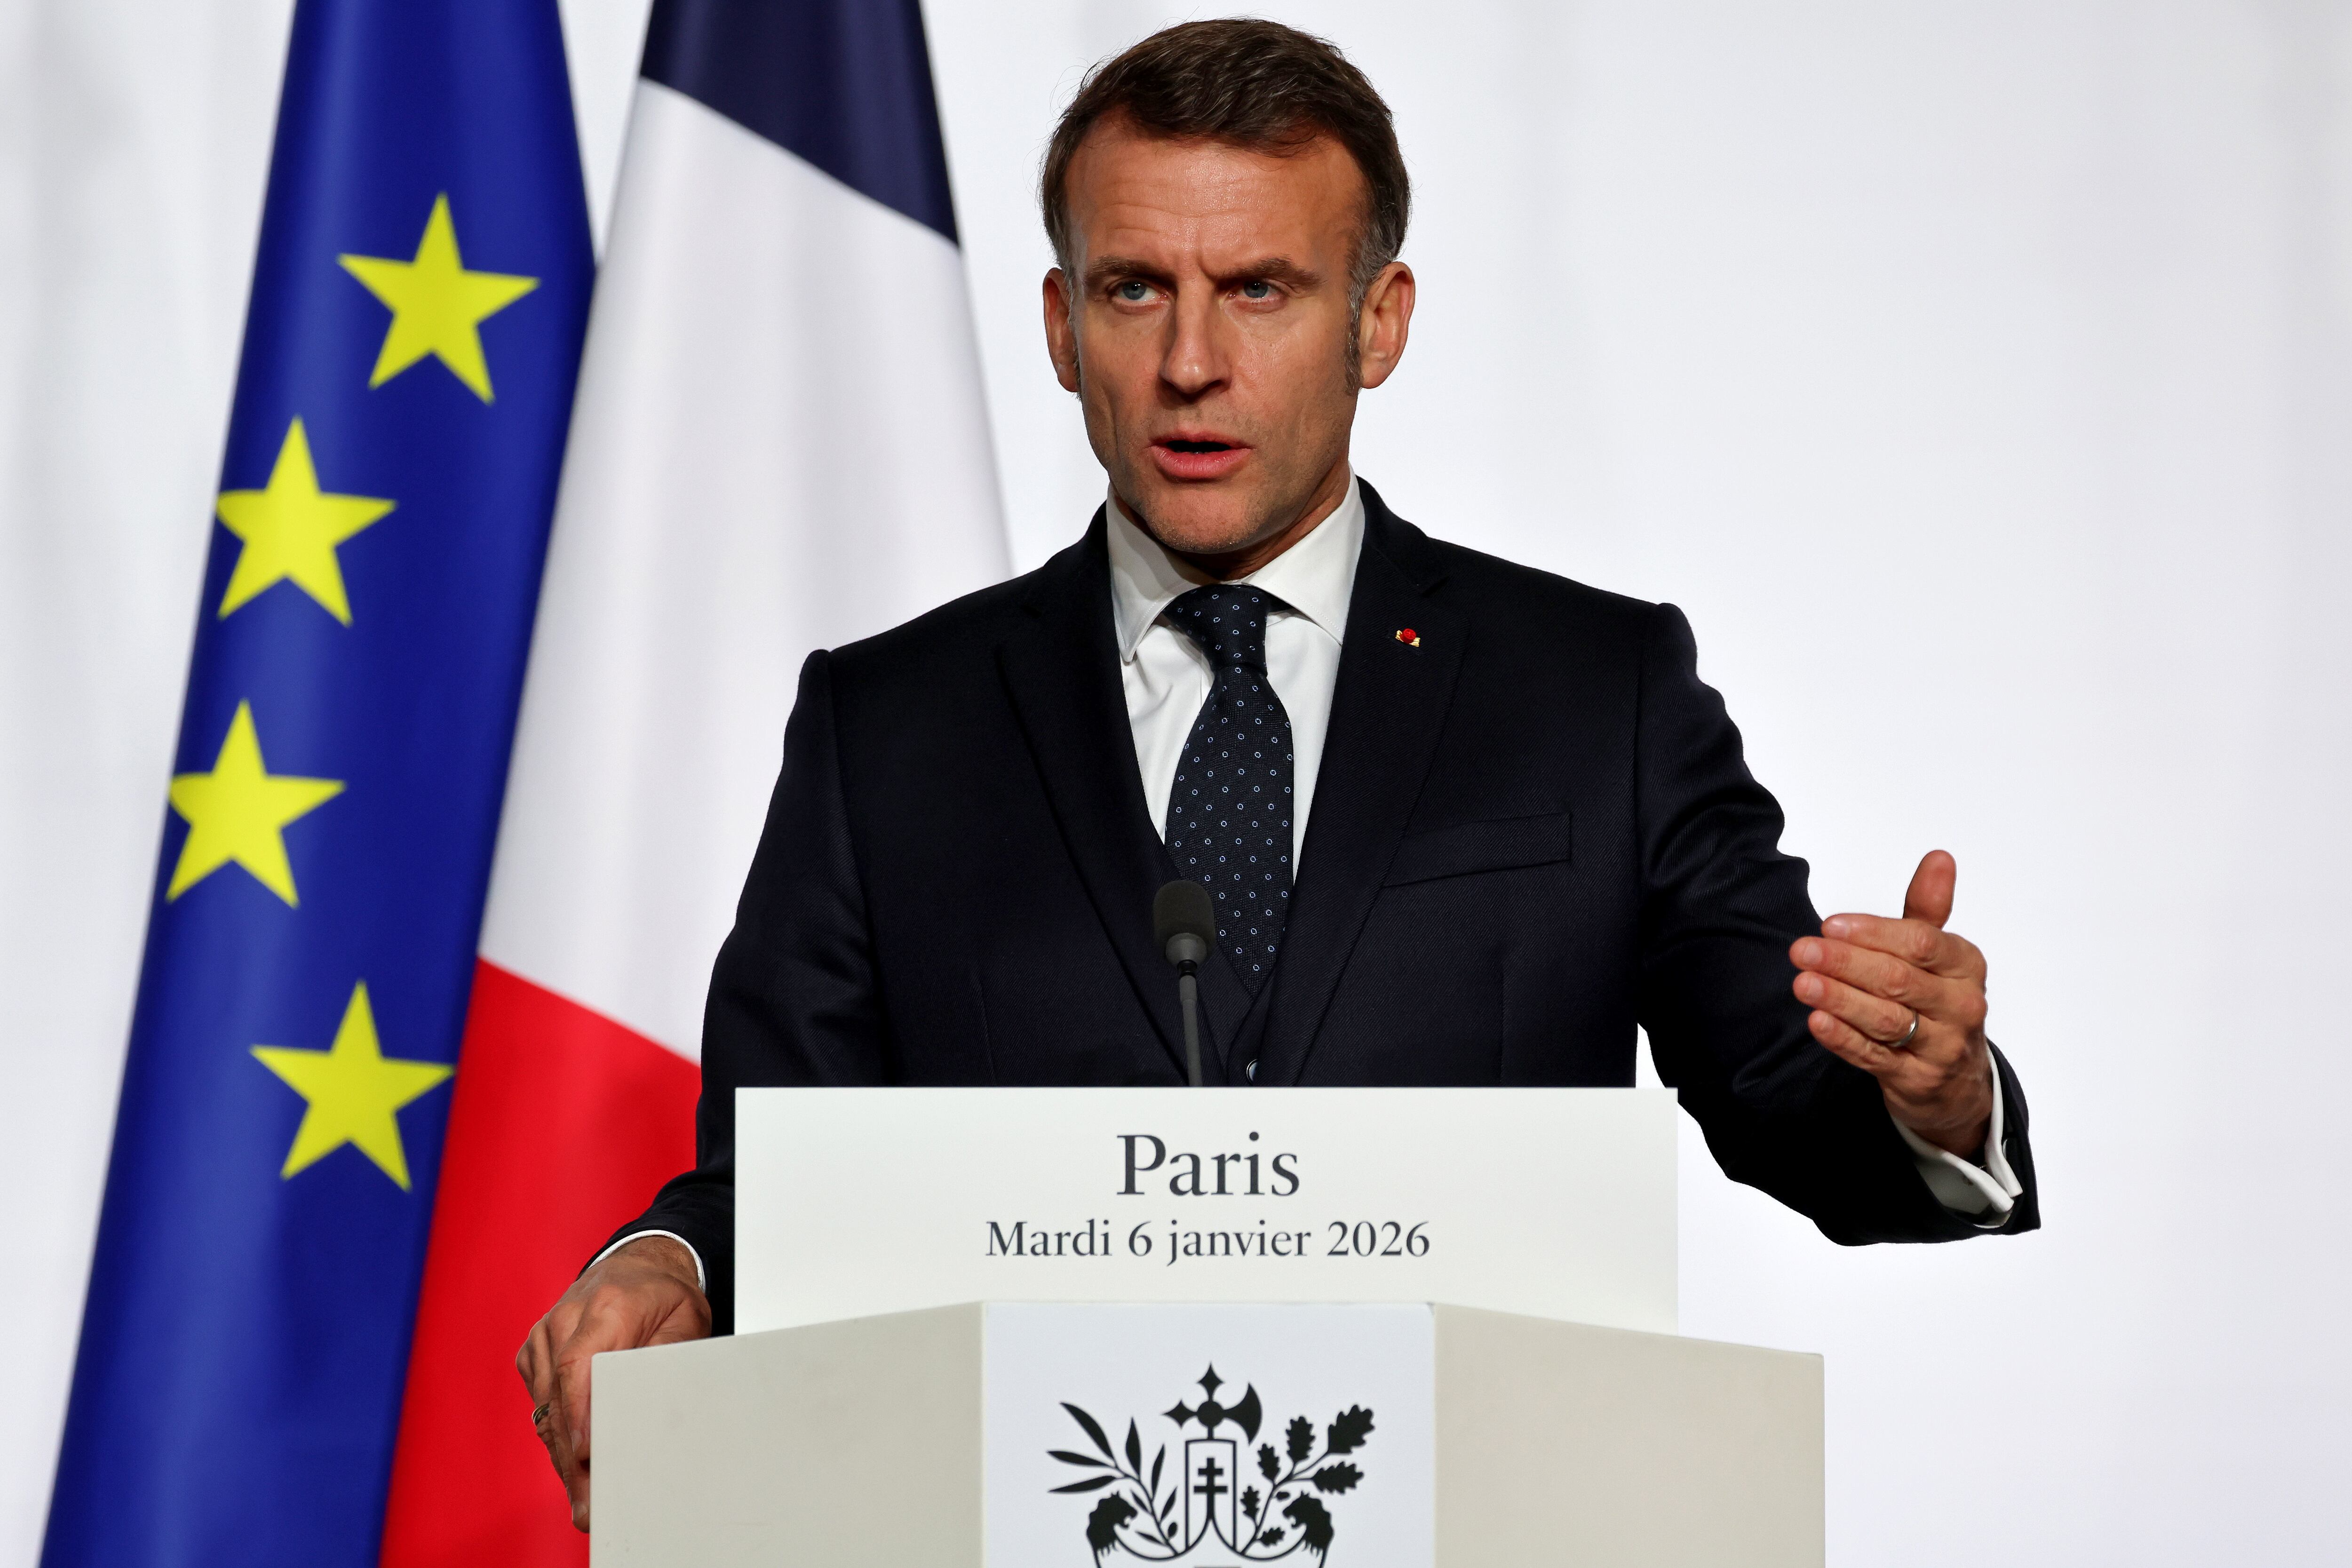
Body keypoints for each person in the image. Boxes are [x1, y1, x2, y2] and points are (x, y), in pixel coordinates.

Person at [516, 18, 2038, 1528]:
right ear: (1060, 325)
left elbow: (1784, 1093)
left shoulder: (1595, 693)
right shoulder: (885, 725)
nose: (1192, 362)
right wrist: (672, 1269)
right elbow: (781, 1182)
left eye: (1261, 290)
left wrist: (1935, 1096)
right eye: (1136, 290)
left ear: (1379, 321)